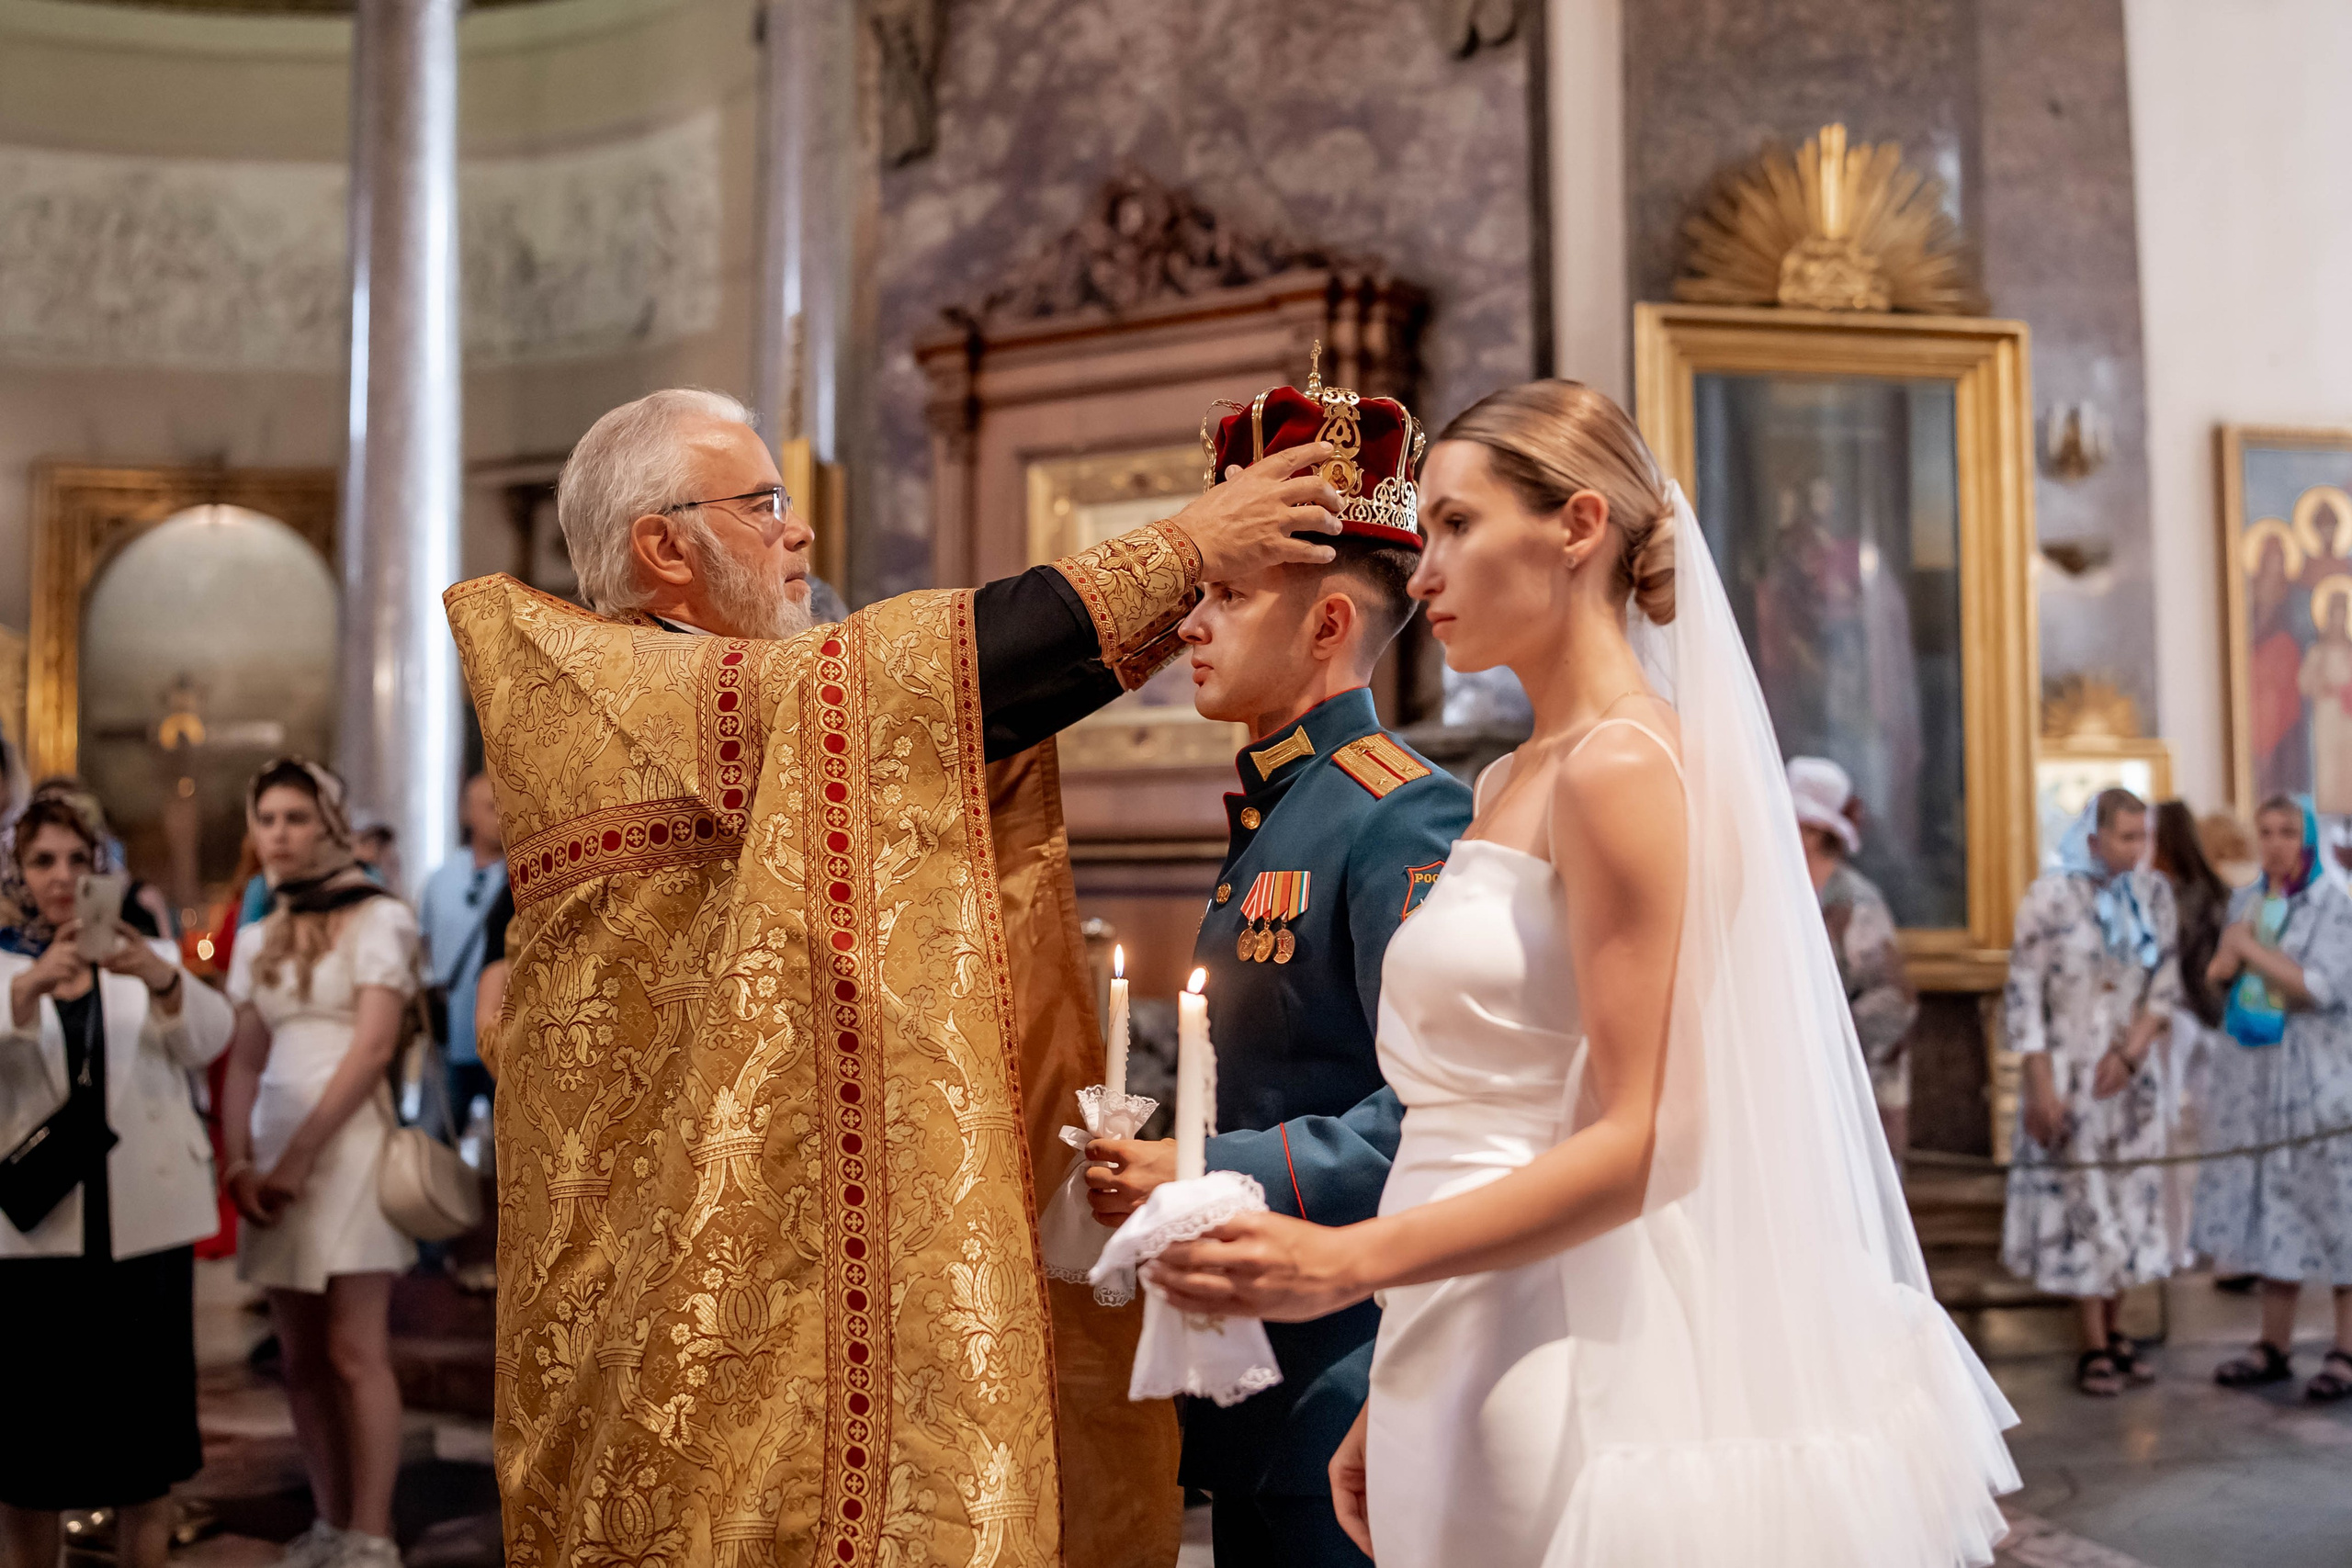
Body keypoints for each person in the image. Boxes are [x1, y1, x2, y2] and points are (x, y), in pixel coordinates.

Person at [446, 386, 1344, 1568]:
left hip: (765, 1278)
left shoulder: (736, 697)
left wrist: (1187, 560)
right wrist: (1185, 549)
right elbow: (915, 679)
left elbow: (943, 703)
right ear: (662, 546)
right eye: (763, 504)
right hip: (667, 1304)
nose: (799, 531)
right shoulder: (610, 689)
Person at [1144, 380, 2016, 1565]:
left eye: (1457, 524)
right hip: (1453, 1322)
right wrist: (1398, 1372)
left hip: (1562, 1326)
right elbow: (1480, 1113)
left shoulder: (1623, 766)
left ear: (1577, 526)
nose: (1422, 571)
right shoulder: (1508, 781)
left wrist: (1340, 1261)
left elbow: (1651, 1136)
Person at [1080, 371, 1473, 1566]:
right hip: (1251, 1371)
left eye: (1229, 595)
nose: (1190, 625)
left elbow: (1434, 1113)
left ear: (1329, 624)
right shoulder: (1277, 806)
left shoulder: (1397, 817)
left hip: (1350, 1365)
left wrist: (1202, 1168)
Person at [0, 794, 233, 1568]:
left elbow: (212, 1037)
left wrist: (156, 975)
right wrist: (27, 992)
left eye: (78, 860)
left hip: (143, 1228)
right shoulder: (5, 962)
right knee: (31, 1461)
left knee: (143, 1453)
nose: (63, 877)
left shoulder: (143, 954)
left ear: (101, 870)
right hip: (34, 1234)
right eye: (43, 861)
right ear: (17, 872)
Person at [218, 759, 420, 1568]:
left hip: (345, 1142)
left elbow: (373, 1046)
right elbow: (242, 1058)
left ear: (329, 827)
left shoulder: (380, 917)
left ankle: (372, 1533)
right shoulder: (259, 932)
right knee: (298, 1354)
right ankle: (331, 1521)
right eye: (266, 818)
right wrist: (238, 1161)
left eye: (297, 818)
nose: (279, 834)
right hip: (271, 1143)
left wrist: (299, 1153)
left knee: (352, 1349)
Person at [2001, 789, 2180, 1395]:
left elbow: (2166, 984)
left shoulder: (2154, 896)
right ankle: (2091, 1342)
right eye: (2125, 837)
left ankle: (2116, 1324)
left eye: (2142, 836)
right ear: (2095, 837)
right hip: (2071, 1071)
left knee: (2129, 1199)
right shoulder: (2049, 897)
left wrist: (2133, 1051)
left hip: (2128, 1078)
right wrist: (2040, 1081)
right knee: (2082, 1200)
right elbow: (2025, 994)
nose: (2136, 849)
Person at [2195, 795, 2352, 1402]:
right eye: (2266, 831)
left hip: (2320, 1078)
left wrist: (2249, 949)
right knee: (2272, 1204)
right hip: (2257, 1075)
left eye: (2289, 831)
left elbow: (2319, 986)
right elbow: (2219, 972)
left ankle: (2345, 1346)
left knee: (2337, 1208)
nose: (2277, 843)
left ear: (2310, 838)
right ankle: (2274, 1341)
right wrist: (2225, 962)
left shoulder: (2336, 908)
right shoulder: (2247, 902)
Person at [1788, 755, 1917, 1160]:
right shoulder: (1786, 890)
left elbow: (1895, 1002)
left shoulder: (1856, 901)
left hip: (1855, 1096)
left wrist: (1826, 1040)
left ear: (1811, 832)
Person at [416, 773, 505, 1119]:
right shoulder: (440, 880)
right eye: (488, 807)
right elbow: (422, 945)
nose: (498, 816)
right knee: (435, 1137)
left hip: (503, 1037)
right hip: (449, 1035)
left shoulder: (524, 877)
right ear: (466, 813)